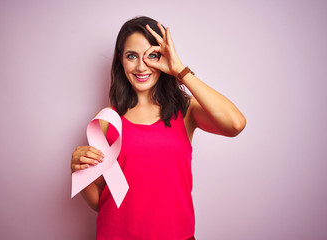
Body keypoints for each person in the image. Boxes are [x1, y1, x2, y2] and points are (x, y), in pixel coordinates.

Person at [71, 16, 246, 240]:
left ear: (163, 57)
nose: (141, 66)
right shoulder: (107, 121)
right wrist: (79, 171)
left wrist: (179, 69)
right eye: (131, 56)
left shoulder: (185, 110)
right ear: (121, 61)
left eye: (152, 55)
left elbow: (235, 124)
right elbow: (103, 201)